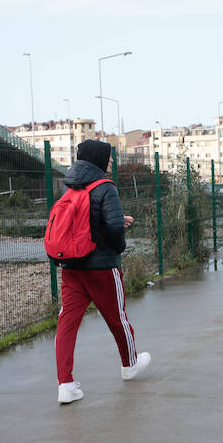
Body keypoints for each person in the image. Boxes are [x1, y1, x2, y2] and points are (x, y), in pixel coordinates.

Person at [55, 139, 151, 404]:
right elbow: (111, 230)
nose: (110, 162)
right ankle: (130, 364)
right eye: (108, 158)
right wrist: (119, 244)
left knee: (67, 322)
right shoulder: (106, 187)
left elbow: (84, 222)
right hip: (101, 267)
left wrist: (117, 220)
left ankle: (65, 385)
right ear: (98, 159)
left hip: (71, 267)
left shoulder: (70, 186)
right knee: (117, 317)